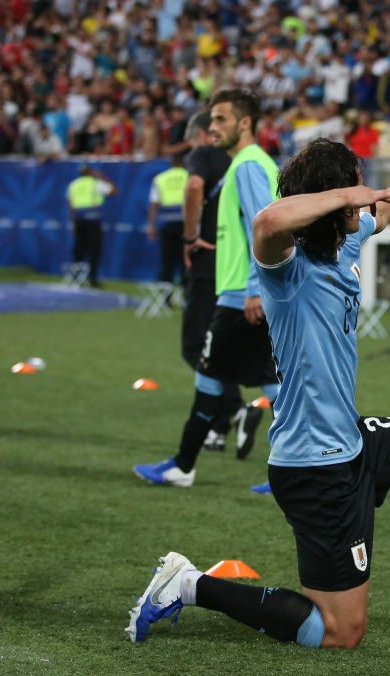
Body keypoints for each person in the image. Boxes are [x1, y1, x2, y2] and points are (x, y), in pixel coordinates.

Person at [126, 132, 390, 649]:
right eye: (354, 190)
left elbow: (377, 217)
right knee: (340, 633)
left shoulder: (343, 240)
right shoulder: (285, 266)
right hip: (314, 466)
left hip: (352, 440)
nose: (364, 198)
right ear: (332, 199)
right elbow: (268, 220)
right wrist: (351, 193)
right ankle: (188, 584)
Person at [133, 89, 278, 486]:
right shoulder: (249, 163)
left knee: (210, 376)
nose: (211, 128)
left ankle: (183, 465)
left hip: (239, 294)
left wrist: (252, 287)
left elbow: (263, 226)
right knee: (272, 383)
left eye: (220, 120)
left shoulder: (248, 166)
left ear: (244, 123)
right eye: (211, 121)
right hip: (246, 291)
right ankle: (303, 471)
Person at [180, 112, 244, 454]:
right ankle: (220, 426)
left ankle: (233, 407)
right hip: (237, 265)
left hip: (208, 258)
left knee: (195, 345)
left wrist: (190, 235)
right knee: (222, 342)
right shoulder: (246, 161)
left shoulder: (204, 155)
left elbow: (193, 186)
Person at [66, 165, 117, 288]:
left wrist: (73, 223)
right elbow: (113, 191)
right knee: (94, 251)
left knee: (79, 250)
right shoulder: (96, 183)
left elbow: (71, 205)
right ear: (90, 173)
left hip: (79, 221)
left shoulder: (74, 184)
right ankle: (93, 279)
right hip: (93, 221)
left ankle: (77, 278)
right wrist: (102, 177)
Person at [148, 153, 189, 285]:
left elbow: (154, 204)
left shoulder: (160, 179)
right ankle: (186, 295)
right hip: (186, 225)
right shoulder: (189, 176)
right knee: (186, 260)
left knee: (167, 261)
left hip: (167, 225)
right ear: (183, 164)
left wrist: (151, 225)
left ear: (171, 164)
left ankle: (166, 296)